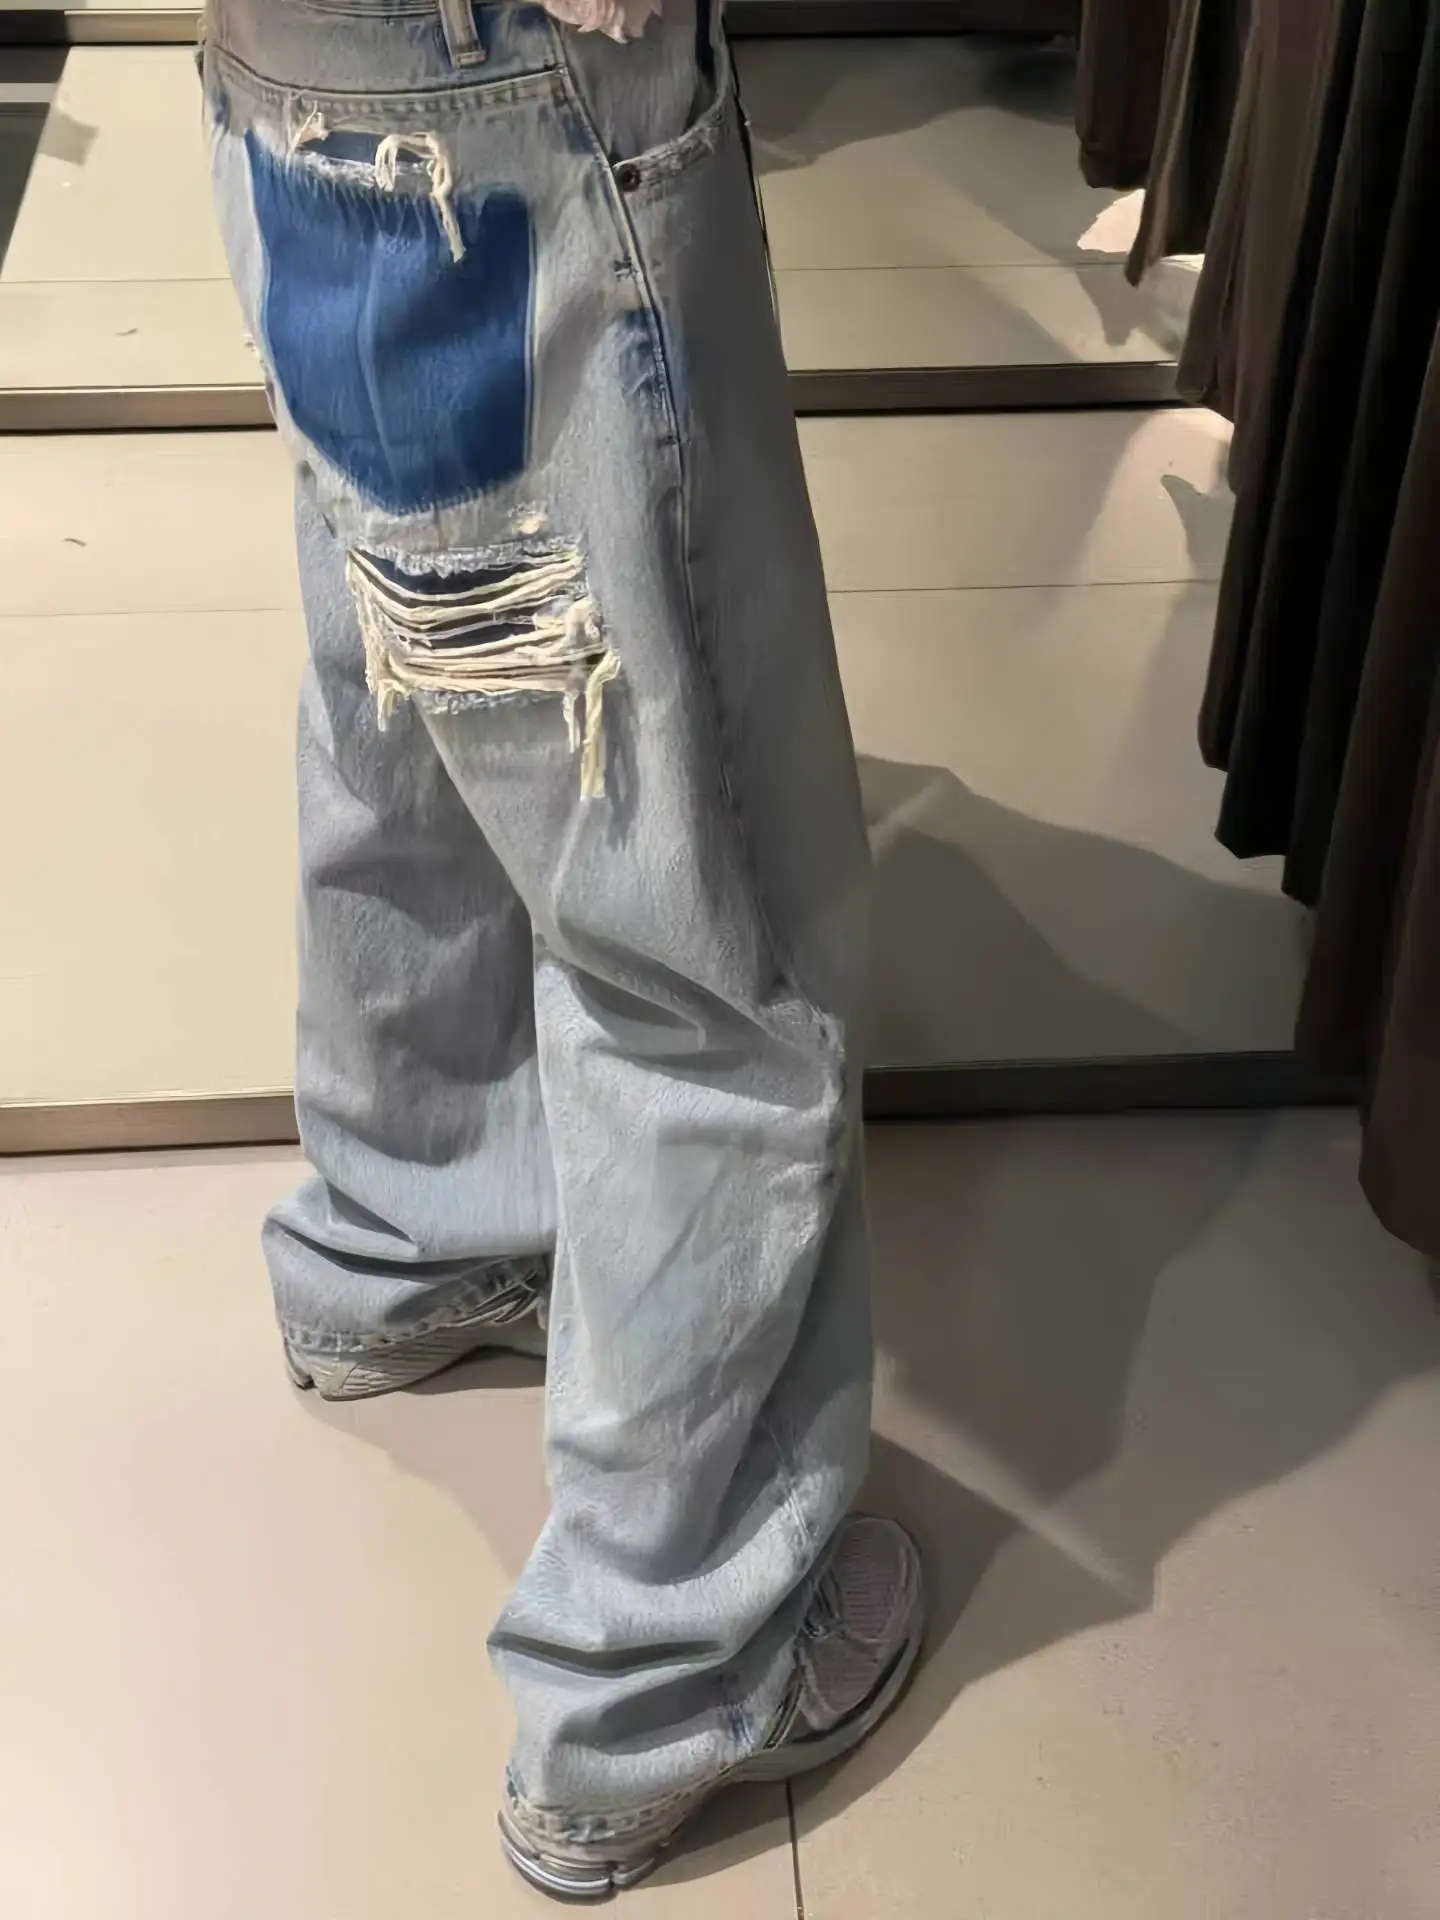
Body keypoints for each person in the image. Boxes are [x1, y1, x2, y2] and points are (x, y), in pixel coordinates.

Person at [199, 0, 924, 1895]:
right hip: (523, 79)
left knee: (414, 671)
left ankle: (413, 1226)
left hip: (289, 56)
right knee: (687, 902)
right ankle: (662, 1671)